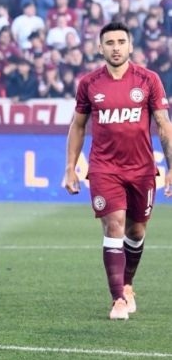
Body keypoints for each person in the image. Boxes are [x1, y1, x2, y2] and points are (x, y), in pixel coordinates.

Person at [63, 21, 172, 320]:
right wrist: (70, 168)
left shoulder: (149, 80)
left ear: (130, 46)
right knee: (114, 225)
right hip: (104, 169)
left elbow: (163, 125)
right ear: (100, 48)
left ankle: (127, 283)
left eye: (120, 42)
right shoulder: (89, 83)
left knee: (136, 232)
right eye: (109, 43)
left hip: (142, 170)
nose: (115, 47)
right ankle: (118, 300)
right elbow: (78, 126)